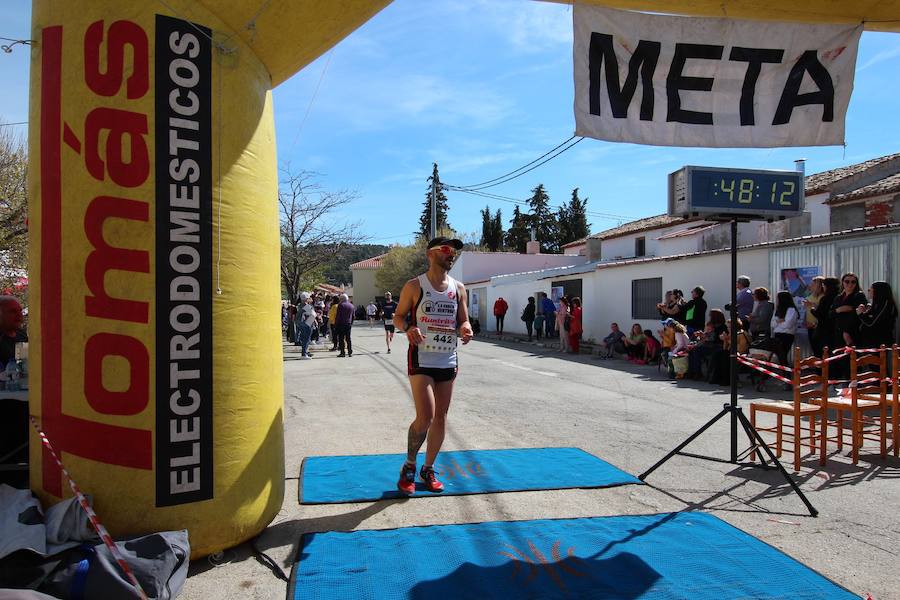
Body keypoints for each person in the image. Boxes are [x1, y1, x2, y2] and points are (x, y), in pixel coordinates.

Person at [394, 236, 472, 495]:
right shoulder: (415, 285)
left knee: (440, 416)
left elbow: (463, 321)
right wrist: (409, 327)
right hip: (422, 358)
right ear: (431, 253)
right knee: (425, 415)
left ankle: (428, 468)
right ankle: (409, 465)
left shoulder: (459, 288)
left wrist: (465, 328)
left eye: (455, 252)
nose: (452, 255)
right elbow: (397, 317)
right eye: (447, 250)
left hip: (447, 358)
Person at [830, 273, 866, 381]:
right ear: (843, 283)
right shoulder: (838, 297)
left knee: (852, 360)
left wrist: (847, 331)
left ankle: (855, 386)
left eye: (853, 282)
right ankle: (845, 384)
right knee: (840, 359)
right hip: (838, 332)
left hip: (852, 332)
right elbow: (830, 314)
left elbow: (857, 315)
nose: (850, 284)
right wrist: (839, 310)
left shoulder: (859, 296)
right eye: (847, 281)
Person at [857, 281, 898, 348]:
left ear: (878, 291)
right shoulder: (876, 304)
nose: (868, 290)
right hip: (870, 341)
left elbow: (871, 323)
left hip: (879, 343)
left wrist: (860, 314)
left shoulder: (886, 304)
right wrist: (864, 311)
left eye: (871, 288)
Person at [807, 277, 839, 357]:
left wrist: (812, 308)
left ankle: (821, 368)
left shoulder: (825, 298)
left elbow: (820, 314)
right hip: (835, 330)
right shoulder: (839, 297)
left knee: (820, 351)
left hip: (823, 329)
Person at [771, 291, 799, 374]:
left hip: (787, 335)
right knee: (780, 355)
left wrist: (778, 322)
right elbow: (772, 324)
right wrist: (780, 321)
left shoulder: (791, 310)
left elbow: (788, 324)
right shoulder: (778, 310)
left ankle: (786, 373)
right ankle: (785, 372)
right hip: (778, 334)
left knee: (783, 353)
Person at [0, 296, 27, 366]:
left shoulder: (21, 335)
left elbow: (23, 361)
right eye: (13, 311)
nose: (19, 315)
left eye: (20, 311)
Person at [802, 276, 825, 357]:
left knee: (821, 349)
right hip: (809, 326)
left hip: (819, 326)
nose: (811, 285)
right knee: (814, 347)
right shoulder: (809, 296)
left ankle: (822, 368)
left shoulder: (823, 297)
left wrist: (811, 304)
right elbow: (806, 310)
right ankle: (817, 366)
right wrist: (804, 321)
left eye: (813, 284)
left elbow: (822, 311)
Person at [296, 292, 317, 359]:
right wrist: (315, 322)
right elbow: (313, 315)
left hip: (300, 323)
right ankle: (304, 354)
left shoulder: (299, 305)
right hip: (307, 323)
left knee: (303, 338)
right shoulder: (307, 306)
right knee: (306, 339)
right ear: (307, 299)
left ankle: (305, 351)